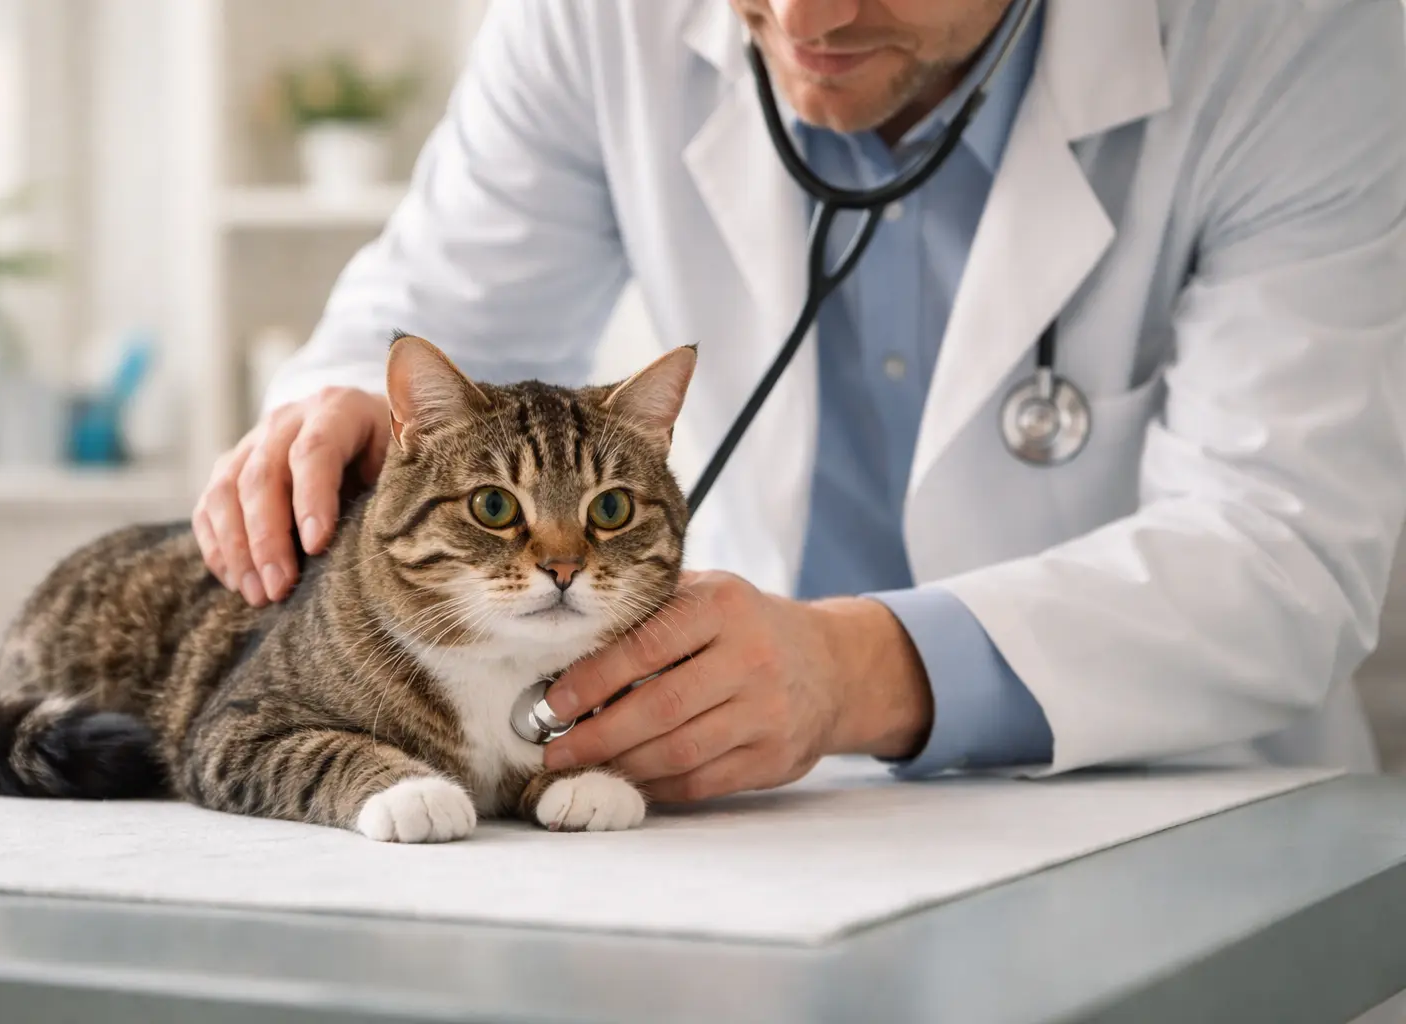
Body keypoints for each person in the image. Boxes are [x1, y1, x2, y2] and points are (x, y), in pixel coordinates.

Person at [192, 0, 1406, 803]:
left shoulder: (1296, 38)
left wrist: (857, 668)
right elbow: (430, 312)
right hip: (761, 821)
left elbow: (1285, 550)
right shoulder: (596, 21)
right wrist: (340, 409)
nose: (809, 19)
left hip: (1177, 800)